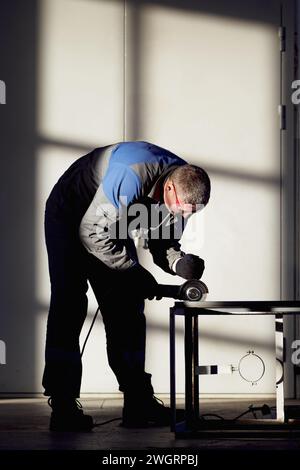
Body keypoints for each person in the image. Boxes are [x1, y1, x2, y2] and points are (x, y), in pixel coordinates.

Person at [43, 141, 210, 431]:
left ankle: (138, 402)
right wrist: (133, 274)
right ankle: (63, 404)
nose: (183, 218)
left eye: (190, 214)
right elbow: (91, 232)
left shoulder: (184, 188)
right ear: (169, 189)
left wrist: (179, 262)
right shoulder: (130, 173)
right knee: (69, 305)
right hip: (69, 216)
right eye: (181, 211)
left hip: (109, 222)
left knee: (127, 308)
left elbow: (162, 242)